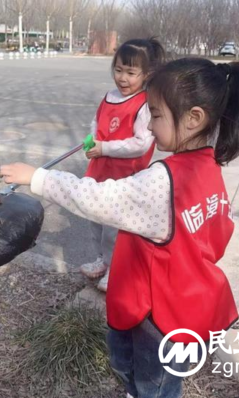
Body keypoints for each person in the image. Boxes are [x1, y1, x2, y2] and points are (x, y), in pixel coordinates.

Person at [0, 57, 239, 398]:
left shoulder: (162, 181)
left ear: (194, 118)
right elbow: (219, 235)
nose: (148, 126)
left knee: (153, 385)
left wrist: (39, 178)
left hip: (157, 317)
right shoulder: (208, 167)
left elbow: (96, 198)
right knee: (152, 378)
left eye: (157, 115)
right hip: (186, 305)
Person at [80, 37, 165, 292]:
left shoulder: (144, 103)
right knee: (94, 217)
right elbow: (96, 122)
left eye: (131, 72)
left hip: (126, 176)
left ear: (146, 74)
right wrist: (91, 140)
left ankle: (116, 268)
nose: (123, 78)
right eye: (118, 70)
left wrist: (104, 147)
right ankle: (102, 261)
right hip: (100, 170)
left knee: (114, 228)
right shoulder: (109, 97)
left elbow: (141, 143)